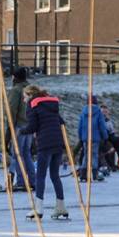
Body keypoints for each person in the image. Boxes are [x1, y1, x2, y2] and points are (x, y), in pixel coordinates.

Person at [19, 85, 68, 220]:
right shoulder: (51, 104)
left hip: (45, 143)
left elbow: (33, 126)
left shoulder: (32, 105)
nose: (24, 100)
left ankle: (38, 208)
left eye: (24, 97)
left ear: (30, 95)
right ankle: (61, 206)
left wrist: (21, 131)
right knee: (55, 175)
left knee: (40, 176)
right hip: (57, 142)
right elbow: (61, 121)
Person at [6, 67, 35, 191]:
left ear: (14, 77)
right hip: (30, 125)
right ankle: (33, 180)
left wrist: (10, 127)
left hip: (19, 125)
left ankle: (21, 181)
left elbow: (12, 109)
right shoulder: (31, 89)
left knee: (18, 154)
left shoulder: (16, 90)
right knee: (26, 153)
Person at [76, 95, 108, 181]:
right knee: (94, 155)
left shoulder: (83, 111)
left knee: (86, 155)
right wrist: (105, 136)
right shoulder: (98, 112)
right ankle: (95, 174)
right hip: (95, 137)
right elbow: (102, 125)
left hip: (85, 138)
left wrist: (80, 137)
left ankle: (83, 175)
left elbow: (80, 126)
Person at [102, 105, 119, 170]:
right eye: (103, 112)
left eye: (106, 112)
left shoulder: (108, 120)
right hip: (103, 137)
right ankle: (111, 165)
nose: (105, 113)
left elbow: (112, 130)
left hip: (109, 135)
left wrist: (113, 132)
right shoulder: (99, 119)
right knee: (110, 147)